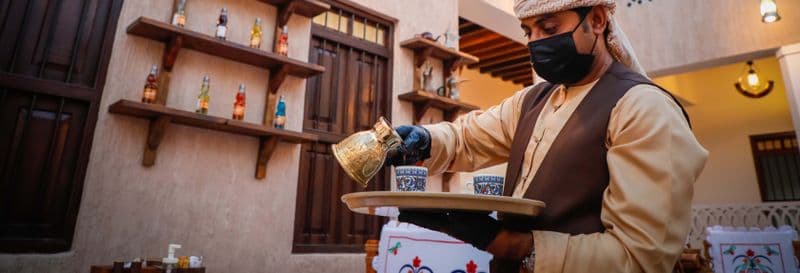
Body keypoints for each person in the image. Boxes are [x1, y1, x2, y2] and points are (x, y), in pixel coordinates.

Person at [385, 0, 709, 272]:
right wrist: (424, 140)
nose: (536, 42)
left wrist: (508, 244)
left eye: (549, 29)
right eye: (529, 32)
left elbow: (639, 257)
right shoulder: (534, 100)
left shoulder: (644, 108)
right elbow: (469, 137)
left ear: (596, 20)